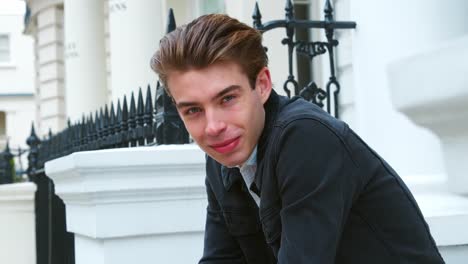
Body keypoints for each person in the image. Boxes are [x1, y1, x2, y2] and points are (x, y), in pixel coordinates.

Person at [150, 14, 444, 264]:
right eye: (193, 110)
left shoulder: (305, 137)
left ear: (262, 85)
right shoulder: (222, 154)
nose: (213, 126)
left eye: (227, 98)